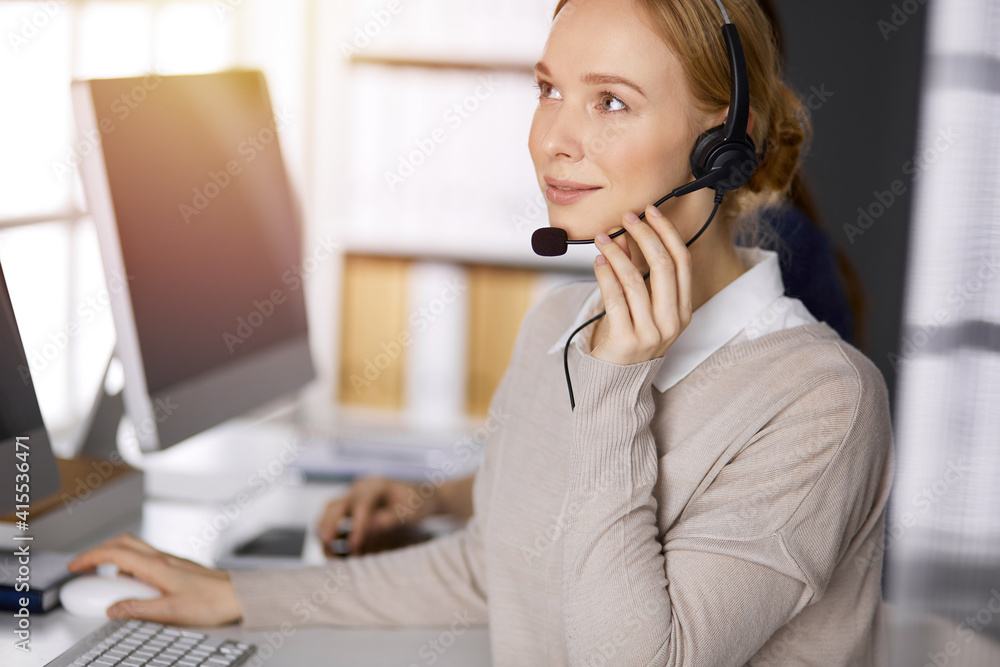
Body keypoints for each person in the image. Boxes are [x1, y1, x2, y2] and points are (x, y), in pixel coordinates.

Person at [68, 1, 895, 664]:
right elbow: (490, 568)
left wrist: (616, 389)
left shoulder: (824, 400)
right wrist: (241, 594)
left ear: (726, 144)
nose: (553, 139)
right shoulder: (557, 330)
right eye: (547, 89)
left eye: (610, 100)